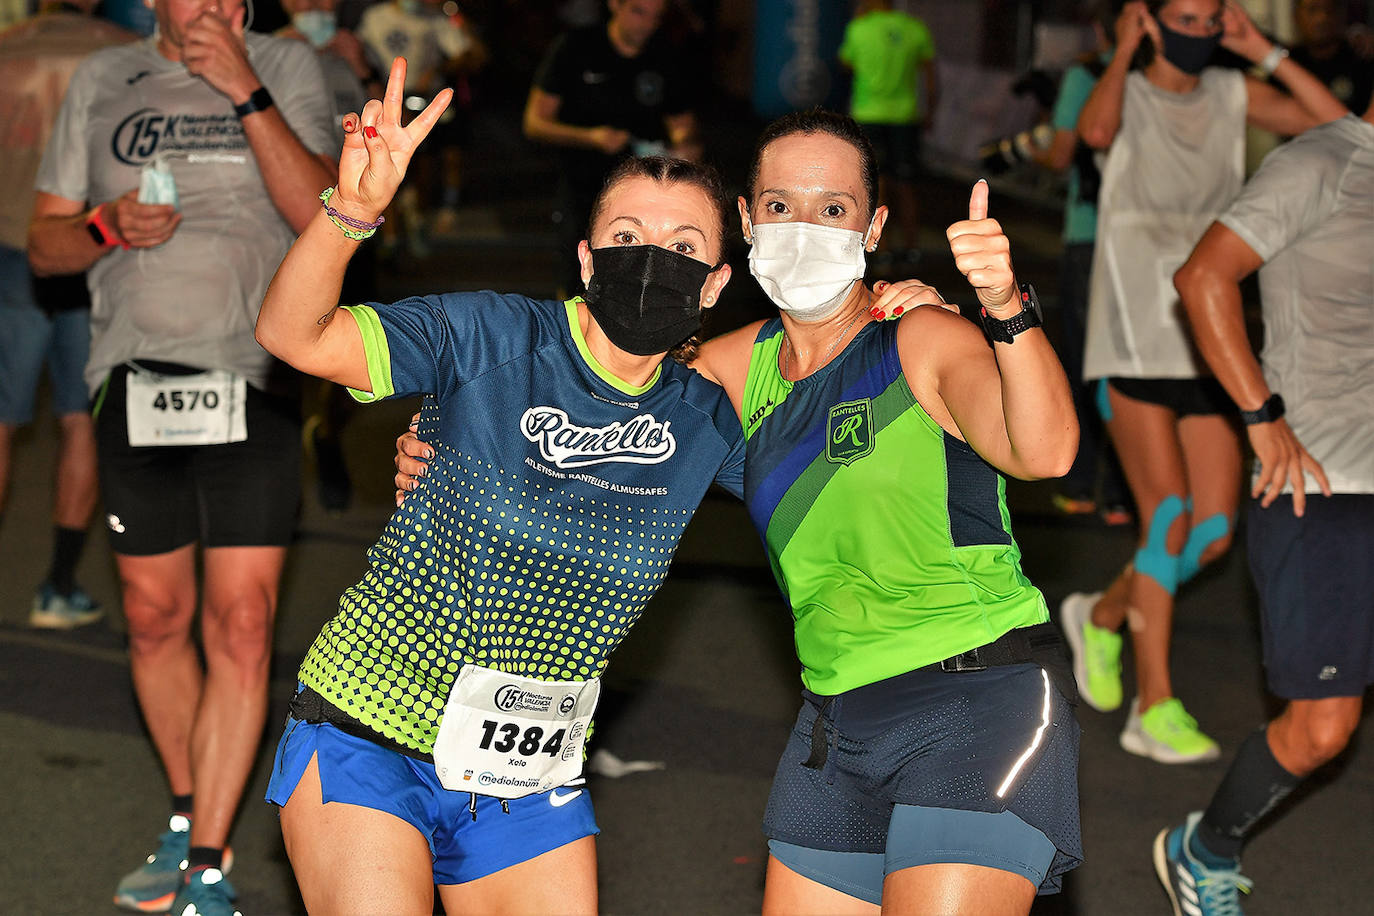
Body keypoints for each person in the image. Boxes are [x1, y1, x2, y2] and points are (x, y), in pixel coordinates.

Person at [399, 109, 1084, 912]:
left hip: (972, 701)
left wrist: (1003, 306)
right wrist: (437, 444)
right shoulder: (731, 368)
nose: (804, 227)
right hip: (834, 727)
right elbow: (584, 387)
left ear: (874, 227)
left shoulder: (922, 337)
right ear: (747, 222)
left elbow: (1045, 453)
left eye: (833, 208)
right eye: (781, 204)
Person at [253, 58, 756, 913]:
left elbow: (844, 490)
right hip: (368, 730)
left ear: (715, 285)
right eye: (629, 238)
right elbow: (293, 335)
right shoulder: (492, 335)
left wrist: (903, 320)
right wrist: (354, 212)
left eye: (683, 248)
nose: (651, 262)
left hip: (528, 775)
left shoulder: (706, 423)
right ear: (588, 257)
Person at [27, 0, 337, 909]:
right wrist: (103, 227)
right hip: (134, 381)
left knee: (242, 624)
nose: (217, 9)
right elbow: (44, 247)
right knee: (155, 618)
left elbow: (326, 213)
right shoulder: (102, 78)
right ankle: (183, 816)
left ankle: (208, 862)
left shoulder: (284, 69)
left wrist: (243, 87)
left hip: (258, 373)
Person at [1062, 0, 1346, 764]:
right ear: (1150, 19)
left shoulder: (1232, 91)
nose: (1198, 28)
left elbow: (1346, 133)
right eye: (1181, 15)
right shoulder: (1122, 90)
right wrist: (1125, 53)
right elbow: (1091, 134)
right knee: (1169, 521)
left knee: (1214, 532)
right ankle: (1152, 708)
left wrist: (1264, 51)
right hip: (1130, 337)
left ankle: (1103, 613)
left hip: (1207, 341)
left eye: (1210, 15)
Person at [1152, 94, 1374, 916]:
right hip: (1326, 489)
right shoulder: (1324, 162)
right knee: (1322, 731)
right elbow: (1203, 275)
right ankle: (1202, 849)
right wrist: (1261, 415)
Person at [0, 0, 132, 628]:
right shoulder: (119, 51)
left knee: (0, 420)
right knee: (82, 419)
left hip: (6, 247)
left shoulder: (8, 45)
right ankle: (56, 585)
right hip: (87, 251)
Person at [1030, 3, 1131, 524]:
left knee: (1084, 361)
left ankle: (1081, 480)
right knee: (1131, 363)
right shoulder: (1162, 76)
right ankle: (1124, 489)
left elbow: (1063, 154)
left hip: (1090, 237)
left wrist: (1035, 144)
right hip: (1145, 243)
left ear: (1099, 25)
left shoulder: (1088, 75)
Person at [524, 0, 699, 293]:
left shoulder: (665, 54)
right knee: (577, 279)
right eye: (638, 11)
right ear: (615, 5)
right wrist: (591, 137)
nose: (646, 24)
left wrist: (683, 147)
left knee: (637, 283)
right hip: (584, 188)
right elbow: (534, 123)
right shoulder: (576, 47)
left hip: (645, 194)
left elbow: (682, 123)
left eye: (655, 17)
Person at [356, 0, 482, 256]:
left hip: (423, 102)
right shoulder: (374, 17)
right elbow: (359, 53)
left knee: (423, 163)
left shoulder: (433, 19)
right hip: (383, 100)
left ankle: (420, 221)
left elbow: (469, 54)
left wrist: (438, 67)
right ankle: (390, 236)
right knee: (381, 161)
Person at [837, 0, 936, 268]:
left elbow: (846, 65)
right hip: (904, 117)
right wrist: (931, 111)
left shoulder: (859, 27)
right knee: (906, 183)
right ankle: (912, 247)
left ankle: (882, 248)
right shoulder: (915, 28)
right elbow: (929, 75)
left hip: (868, 116)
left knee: (876, 184)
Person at [1288, 0, 1372, 117]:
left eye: (1330, 10)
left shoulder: (1361, 57)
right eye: (1313, 9)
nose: (1322, 18)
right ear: (1296, 16)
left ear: (1342, 15)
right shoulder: (1287, 63)